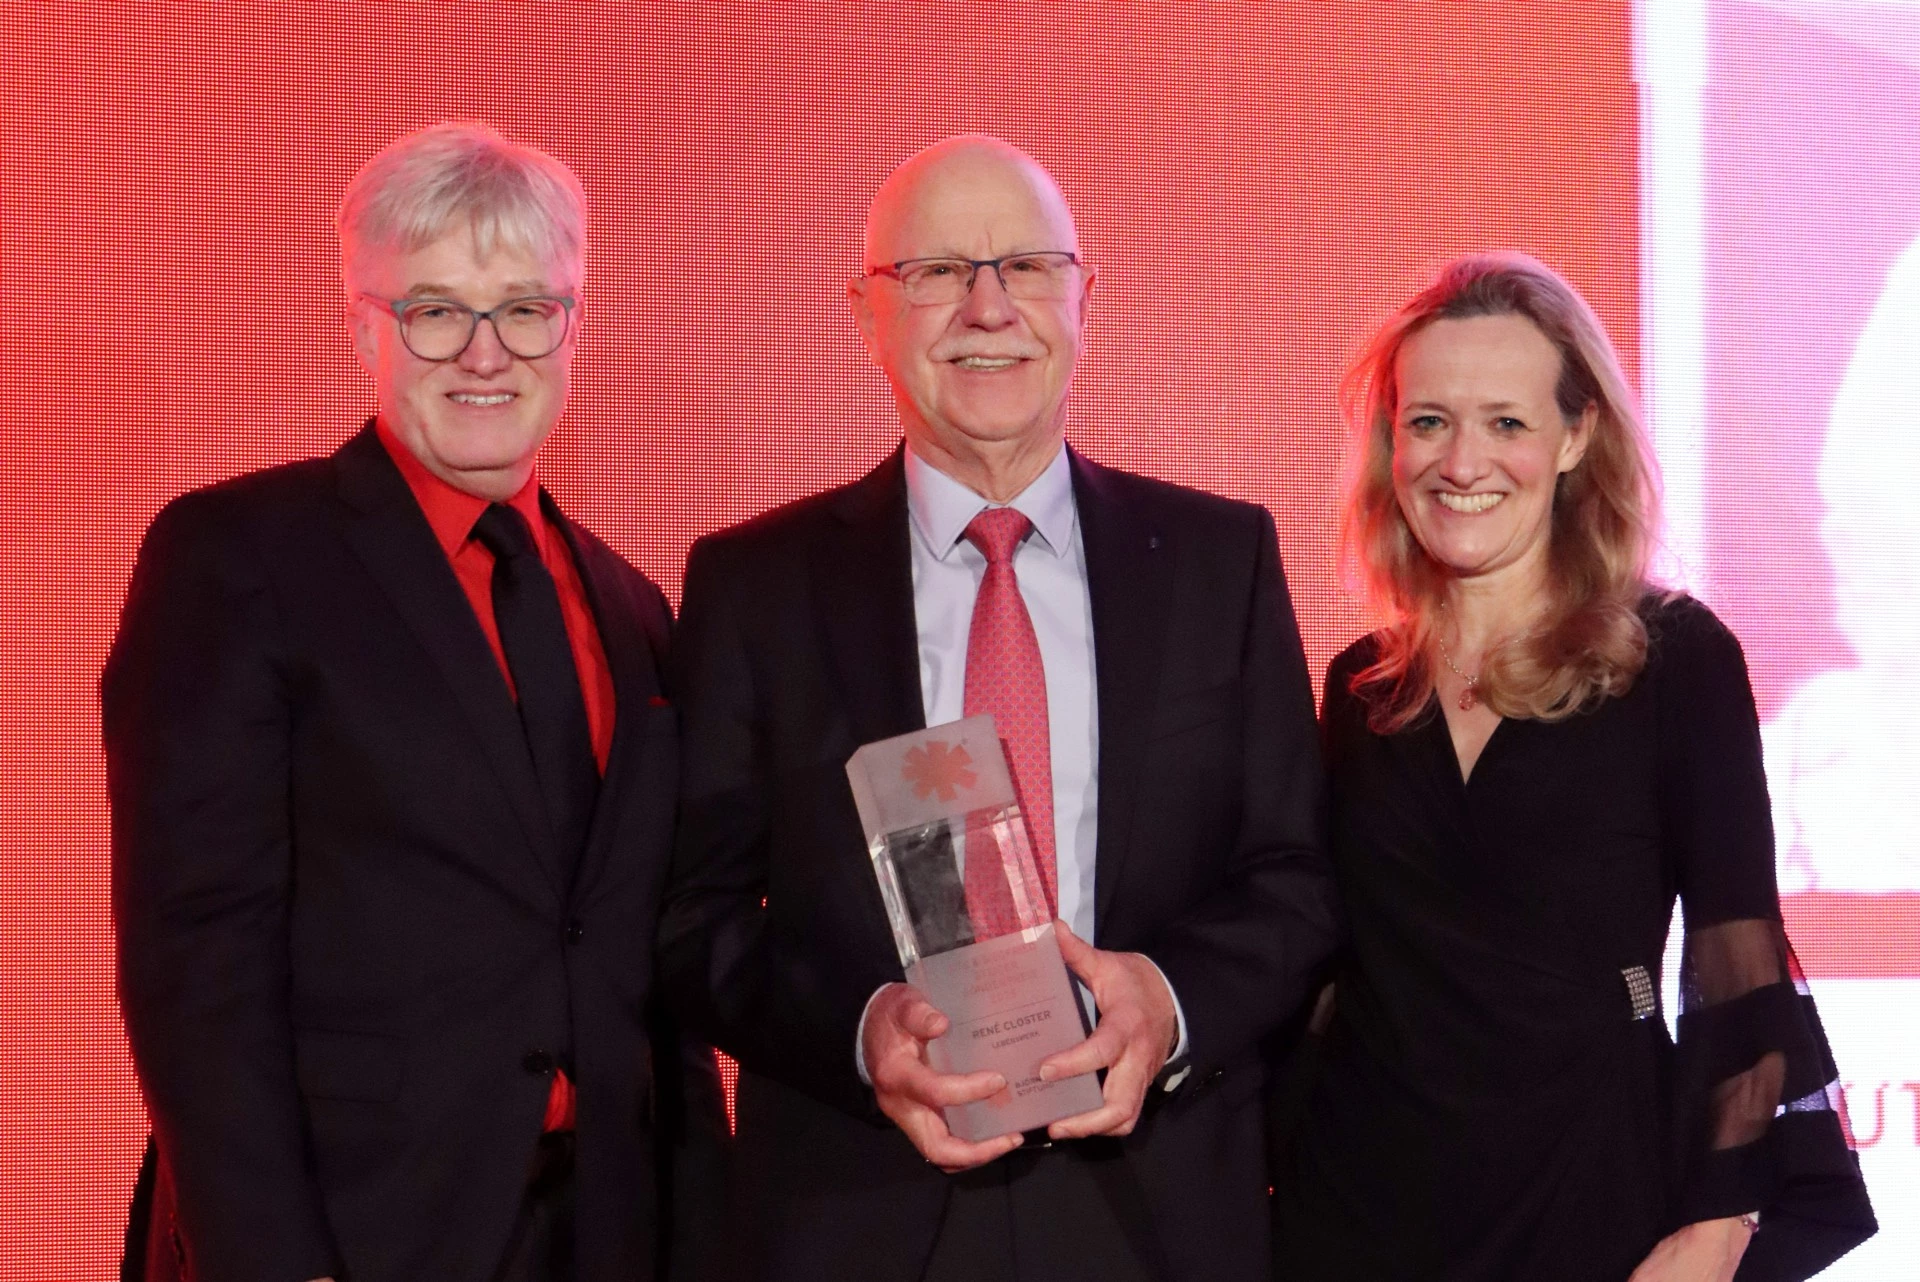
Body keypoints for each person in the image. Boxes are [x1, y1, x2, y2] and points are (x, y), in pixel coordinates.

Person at [659, 134, 1338, 1282]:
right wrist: (862, 1030)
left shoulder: (1223, 562)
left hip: (1158, 1210)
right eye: (935, 273)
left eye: (1025, 267)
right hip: (857, 1211)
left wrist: (1168, 1005)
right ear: (864, 310)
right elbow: (694, 916)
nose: (987, 307)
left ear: (1084, 298)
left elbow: (1298, 881)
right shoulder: (753, 586)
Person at [106, 121, 723, 1282]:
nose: (484, 353)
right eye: (435, 308)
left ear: (572, 327)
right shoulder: (238, 559)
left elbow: (652, 972)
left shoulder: (637, 610)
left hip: (601, 1237)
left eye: (525, 308)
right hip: (349, 1234)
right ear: (362, 323)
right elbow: (196, 962)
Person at [1269, 252, 1876, 1280]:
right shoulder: (1359, 688)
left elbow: (1737, 951)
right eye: (1428, 422)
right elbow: (1333, 968)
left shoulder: (1677, 659)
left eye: (1506, 421)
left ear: (1575, 436)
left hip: (1591, 1199)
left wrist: (1719, 1222)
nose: (1462, 461)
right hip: (1357, 1215)